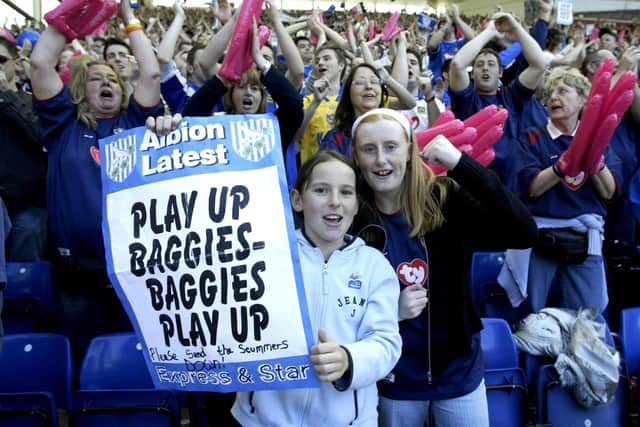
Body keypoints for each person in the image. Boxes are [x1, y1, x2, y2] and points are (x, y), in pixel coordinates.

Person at [348, 108, 538, 426]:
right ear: (356, 158)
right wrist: (388, 312)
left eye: (391, 147)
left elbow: (523, 232)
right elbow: (338, 306)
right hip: (394, 380)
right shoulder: (353, 218)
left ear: (410, 151)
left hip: (457, 375)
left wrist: (462, 165)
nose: (381, 159)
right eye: (369, 149)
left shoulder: (445, 200)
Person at [29, 0, 163, 365]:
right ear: (80, 91)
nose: (106, 82)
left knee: (135, 366)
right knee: (83, 369)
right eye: (96, 79)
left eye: (113, 79)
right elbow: (40, 62)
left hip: (135, 273)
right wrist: (72, 16)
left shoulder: (136, 124)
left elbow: (150, 74)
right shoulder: (62, 125)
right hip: (77, 277)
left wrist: (126, 16)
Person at [232, 150, 402, 426]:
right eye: (322, 190)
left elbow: (386, 343)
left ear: (357, 204)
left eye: (346, 192)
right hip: (261, 420)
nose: (335, 202)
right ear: (297, 199)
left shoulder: (375, 266)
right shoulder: (265, 256)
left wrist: (349, 358)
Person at [512, 68, 622, 315]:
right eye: (550, 93)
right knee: (531, 312)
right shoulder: (532, 136)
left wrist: (596, 163)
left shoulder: (600, 137)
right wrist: (561, 167)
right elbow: (532, 188)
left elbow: (609, 192)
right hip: (542, 237)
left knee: (590, 312)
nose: (553, 97)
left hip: (584, 239)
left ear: (583, 100)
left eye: (562, 91)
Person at [182, 18, 303, 151]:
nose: (248, 92)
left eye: (255, 88)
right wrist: (223, 79)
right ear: (231, 95)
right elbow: (190, 116)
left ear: (262, 96)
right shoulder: (217, 126)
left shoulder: (275, 127)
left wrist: (258, 58)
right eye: (241, 87)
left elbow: (294, 107)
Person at [0, 34, 47, 261]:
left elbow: (40, 134)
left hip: (26, 208)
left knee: (24, 278)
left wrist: (5, 96)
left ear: (16, 64)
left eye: (0, 60)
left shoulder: (32, 100)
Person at [320, 62, 415, 157]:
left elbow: (411, 103)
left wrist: (387, 79)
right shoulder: (335, 138)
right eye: (360, 82)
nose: (369, 86)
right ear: (348, 92)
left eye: (374, 82)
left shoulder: (395, 131)